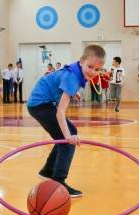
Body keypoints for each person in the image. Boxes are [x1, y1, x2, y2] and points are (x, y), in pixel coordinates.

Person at [27, 44, 105, 197]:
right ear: (82, 61)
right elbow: (60, 112)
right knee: (67, 137)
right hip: (40, 105)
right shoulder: (73, 77)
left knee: (65, 136)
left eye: (97, 70)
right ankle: (58, 180)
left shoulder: (76, 69)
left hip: (42, 103)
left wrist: (72, 93)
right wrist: (68, 137)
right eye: (90, 67)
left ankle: (48, 171)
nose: (93, 72)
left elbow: (59, 81)